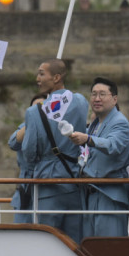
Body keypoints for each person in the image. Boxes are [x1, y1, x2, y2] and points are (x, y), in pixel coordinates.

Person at [22, 59, 88, 244]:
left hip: (47, 185)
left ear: (57, 77)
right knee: (75, 245)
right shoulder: (80, 102)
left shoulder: (34, 112)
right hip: (73, 181)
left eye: (42, 73)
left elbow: (28, 153)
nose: (38, 78)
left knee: (47, 243)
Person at [69, 77, 129, 237]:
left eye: (102, 94)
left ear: (114, 98)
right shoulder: (96, 123)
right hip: (92, 191)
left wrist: (88, 139)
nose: (97, 98)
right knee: (91, 248)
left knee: (109, 249)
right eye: (94, 94)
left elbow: (113, 145)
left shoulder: (119, 122)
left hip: (109, 195)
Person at [8, 93, 46, 223]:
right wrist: (32, 122)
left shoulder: (56, 128)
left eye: (42, 107)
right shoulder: (24, 127)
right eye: (35, 108)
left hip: (47, 191)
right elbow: (13, 142)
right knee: (21, 235)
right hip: (26, 192)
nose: (39, 111)